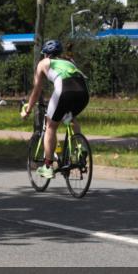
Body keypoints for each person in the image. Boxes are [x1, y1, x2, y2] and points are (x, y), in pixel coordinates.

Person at [21, 40, 90, 179]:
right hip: (83, 92)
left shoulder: (43, 63)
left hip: (64, 90)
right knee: (70, 117)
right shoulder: (69, 62)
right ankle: (80, 149)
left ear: (46, 54)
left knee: (51, 126)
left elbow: (37, 90)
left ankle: (47, 166)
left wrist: (28, 109)